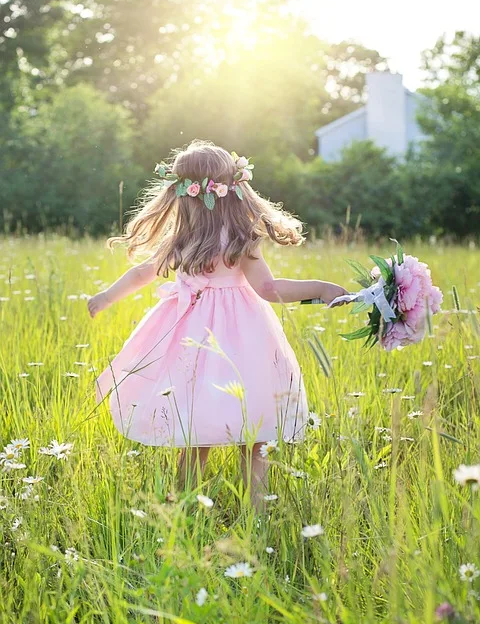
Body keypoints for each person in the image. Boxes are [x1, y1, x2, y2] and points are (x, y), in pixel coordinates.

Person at [87, 140, 347, 510]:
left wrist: (106, 297)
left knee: (195, 428)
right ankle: (254, 514)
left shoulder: (182, 239)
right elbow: (269, 290)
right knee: (253, 433)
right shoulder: (242, 238)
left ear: (181, 195)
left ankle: (184, 512)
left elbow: (142, 273)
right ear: (234, 190)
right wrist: (318, 289)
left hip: (191, 336)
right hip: (245, 338)